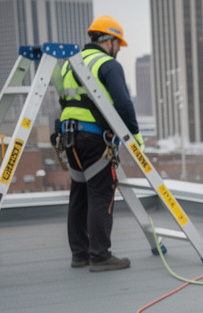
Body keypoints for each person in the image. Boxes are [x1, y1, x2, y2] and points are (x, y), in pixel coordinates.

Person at [56, 15, 142, 272]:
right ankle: (100, 255)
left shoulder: (69, 65)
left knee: (79, 193)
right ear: (111, 40)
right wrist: (134, 136)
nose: (118, 50)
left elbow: (65, 103)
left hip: (70, 138)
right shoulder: (107, 65)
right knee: (100, 193)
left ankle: (80, 254)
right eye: (119, 45)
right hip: (94, 139)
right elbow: (124, 104)